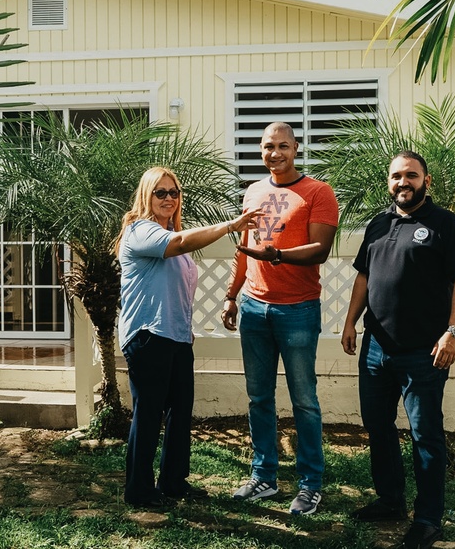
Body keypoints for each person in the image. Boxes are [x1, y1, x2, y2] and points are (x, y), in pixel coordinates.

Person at [341, 150, 455, 549]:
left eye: (412, 176)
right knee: (377, 426)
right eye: (397, 176)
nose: (404, 182)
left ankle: (429, 519)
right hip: (375, 349)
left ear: (426, 181)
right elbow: (364, 277)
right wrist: (350, 321)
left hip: (424, 351)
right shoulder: (379, 224)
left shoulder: (444, 224)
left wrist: (453, 332)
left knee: (425, 435)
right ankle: (390, 501)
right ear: (390, 182)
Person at [116, 166, 260, 509]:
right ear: (146, 196)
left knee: (180, 412)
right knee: (149, 412)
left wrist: (185, 331)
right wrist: (230, 226)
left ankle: (173, 482)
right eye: (160, 192)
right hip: (148, 336)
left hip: (176, 337)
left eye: (174, 192)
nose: (169, 198)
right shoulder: (141, 232)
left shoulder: (170, 235)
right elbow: (179, 242)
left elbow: (175, 289)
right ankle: (139, 490)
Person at [221, 122, 339, 516]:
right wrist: (231, 295)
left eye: (283, 146)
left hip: (298, 309)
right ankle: (264, 477)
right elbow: (244, 249)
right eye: (268, 147)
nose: (276, 153)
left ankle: (310, 485)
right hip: (254, 308)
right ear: (261, 150)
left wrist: (277, 256)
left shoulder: (318, 192)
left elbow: (320, 249)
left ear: (296, 148)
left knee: (304, 401)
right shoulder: (253, 191)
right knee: (259, 398)